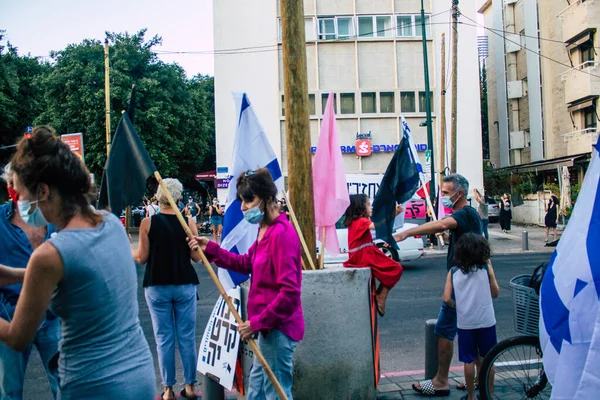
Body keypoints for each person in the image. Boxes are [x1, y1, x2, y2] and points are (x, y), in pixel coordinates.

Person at [0, 126, 155, 399]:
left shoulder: (50, 255)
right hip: (139, 375)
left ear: (44, 191)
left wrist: (26, 274)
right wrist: (14, 274)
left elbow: (16, 337)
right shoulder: (110, 223)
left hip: (92, 386)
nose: (19, 203)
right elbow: (81, 276)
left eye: (21, 195)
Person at [187, 168, 303, 400]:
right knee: (257, 392)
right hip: (267, 330)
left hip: (278, 330)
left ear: (268, 198)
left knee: (276, 393)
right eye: (242, 200)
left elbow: (289, 293)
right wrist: (211, 248)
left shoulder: (281, 234)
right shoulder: (265, 230)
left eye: (249, 200)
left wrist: (257, 322)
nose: (243, 207)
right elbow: (246, 263)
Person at [393, 174, 482, 397]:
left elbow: (442, 223)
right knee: (473, 332)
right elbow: (449, 226)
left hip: (464, 283)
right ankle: (479, 379)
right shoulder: (465, 216)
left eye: (445, 193)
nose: (442, 197)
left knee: (445, 330)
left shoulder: (465, 214)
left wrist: (407, 232)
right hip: (466, 280)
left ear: (458, 194)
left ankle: (442, 381)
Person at [133, 178, 199, 400]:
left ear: (158, 198)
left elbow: (142, 258)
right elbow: (197, 257)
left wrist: (128, 250)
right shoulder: (187, 221)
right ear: (178, 197)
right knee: (187, 337)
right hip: (185, 283)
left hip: (157, 285)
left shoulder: (147, 223)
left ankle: (168, 389)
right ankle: (190, 385)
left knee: (164, 338)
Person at [0, 163, 60, 400]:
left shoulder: (54, 216)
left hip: (53, 315)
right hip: (12, 313)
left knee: (65, 385)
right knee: (10, 390)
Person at [443, 233, 499, 400]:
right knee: (488, 358)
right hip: (486, 320)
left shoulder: (453, 272)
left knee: (469, 360)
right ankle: (488, 393)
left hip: (465, 322)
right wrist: (490, 268)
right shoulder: (485, 269)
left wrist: (458, 306)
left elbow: (446, 298)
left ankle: (470, 396)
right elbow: (495, 292)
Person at [342, 194, 403, 317]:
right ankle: (381, 296)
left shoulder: (356, 222)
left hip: (365, 253)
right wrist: (393, 213)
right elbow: (378, 225)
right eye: (369, 205)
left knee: (391, 269)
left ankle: (380, 292)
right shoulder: (360, 221)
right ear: (360, 208)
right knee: (396, 269)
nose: (372, 207)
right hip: (364, 255)